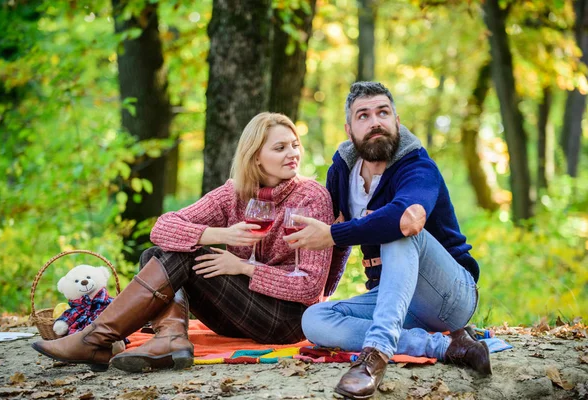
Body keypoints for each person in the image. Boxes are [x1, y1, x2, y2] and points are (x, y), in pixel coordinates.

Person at [32, 112, 346, 373]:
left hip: (287, 321)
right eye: (280, 148)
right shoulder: (233, 193)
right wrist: (221, 235)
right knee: (158, 252)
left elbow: (309, 288)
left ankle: (95, 340)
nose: (292, 153)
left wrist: (243, 267)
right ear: (256, 157)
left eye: (295, 145)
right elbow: (163, 228)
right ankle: (169, 338)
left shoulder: (311, 198)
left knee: (172, 256)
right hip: (238, 313)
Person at [284, 82, 491, 399]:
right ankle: (448, 346)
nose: (374, 121)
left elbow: (403, 218)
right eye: (363, 115)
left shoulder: (418, 167)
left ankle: (375, 356)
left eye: (383, 112)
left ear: (396, 120)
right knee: (315, 319)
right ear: (349, 128)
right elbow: (336, 239)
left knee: (399, 230)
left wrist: (331, 234)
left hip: (451, 296)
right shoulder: (342, 171)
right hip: (396, 299)